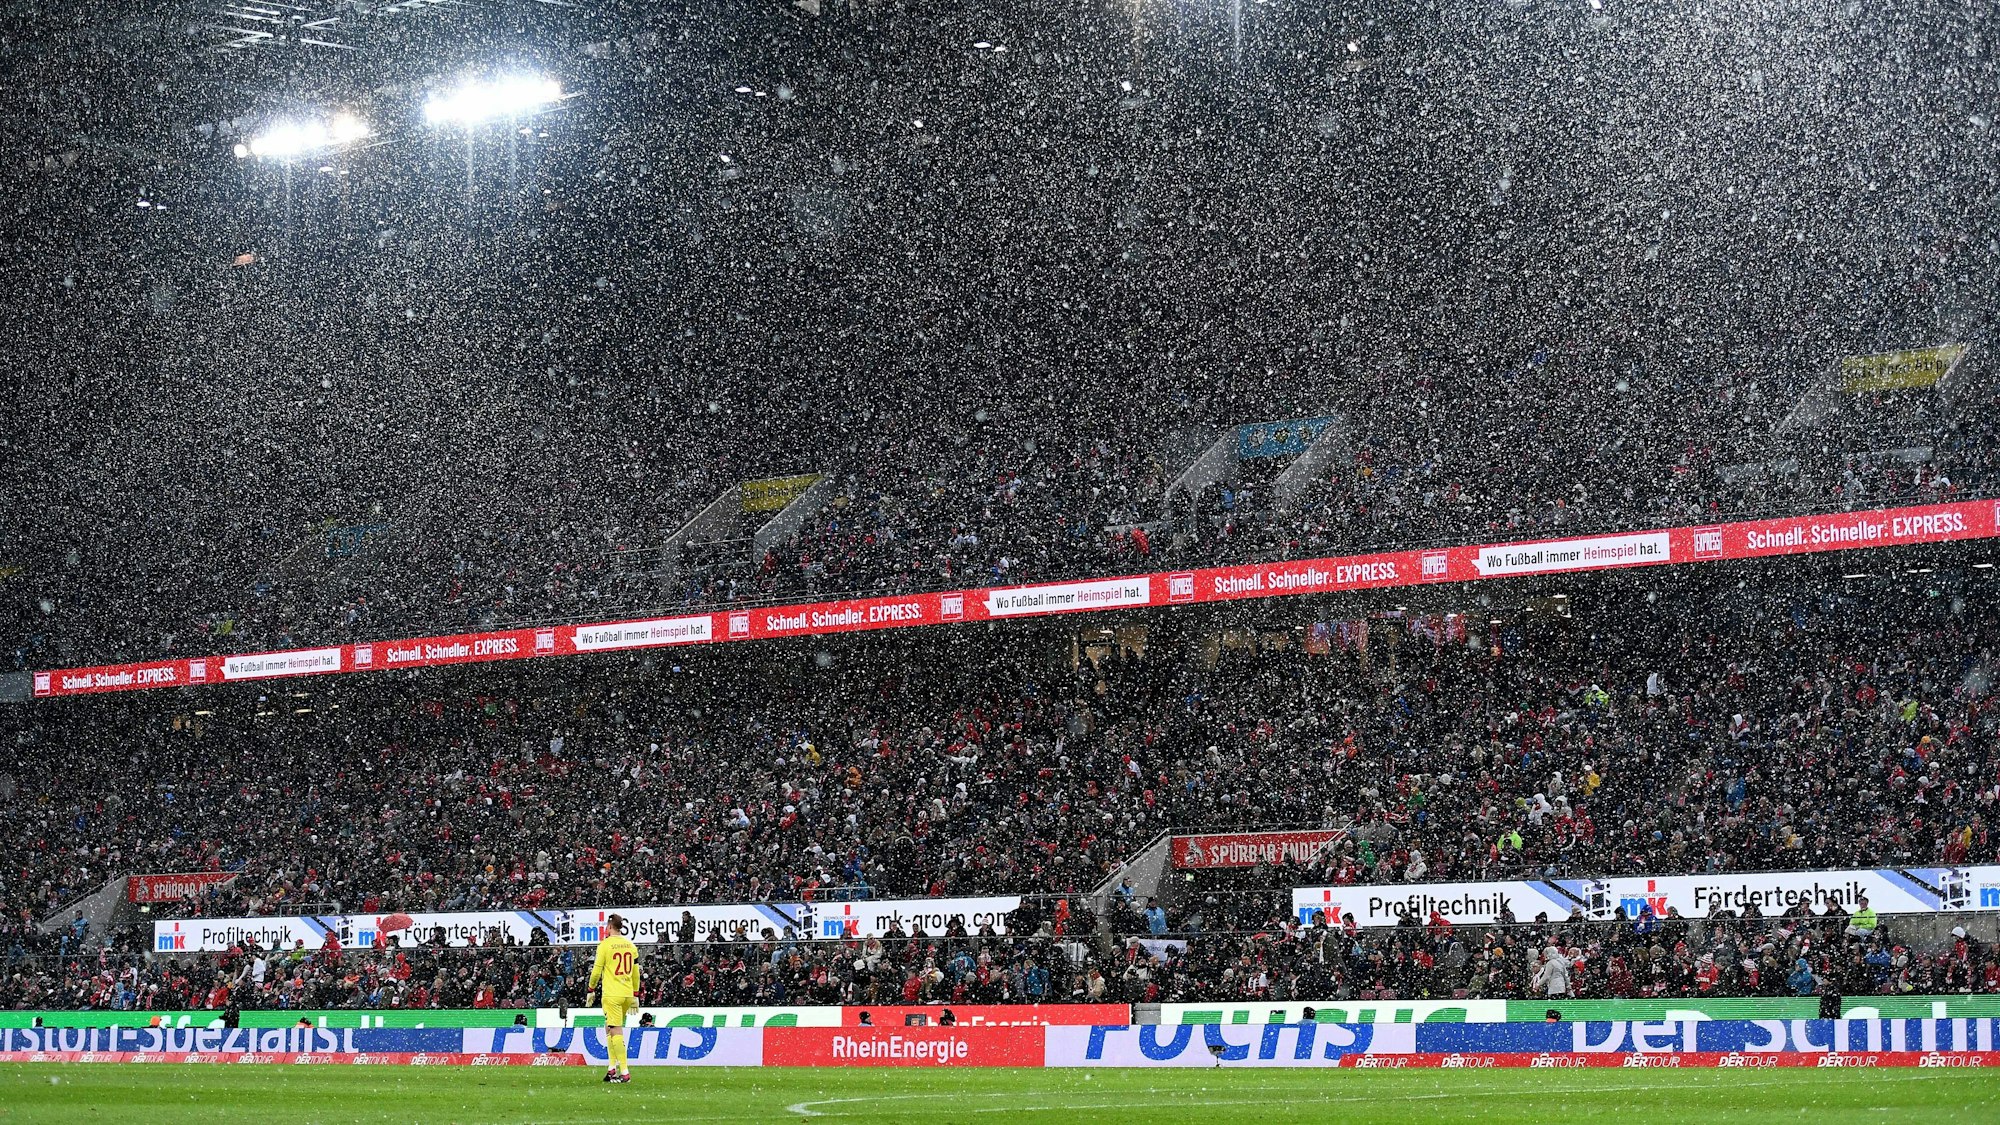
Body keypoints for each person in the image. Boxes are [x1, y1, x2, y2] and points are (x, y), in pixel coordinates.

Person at [586, 913, 640, 1084]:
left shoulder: (605, 945)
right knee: (609, 1027)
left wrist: (591, 988)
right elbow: (636, 972)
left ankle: (624, 1071)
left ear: (609, 927)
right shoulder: (630, 945)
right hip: (626, 993)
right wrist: (635, 993)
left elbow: (596, 971)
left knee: (615, 1029)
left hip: (612, 994)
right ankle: (611, 1068)